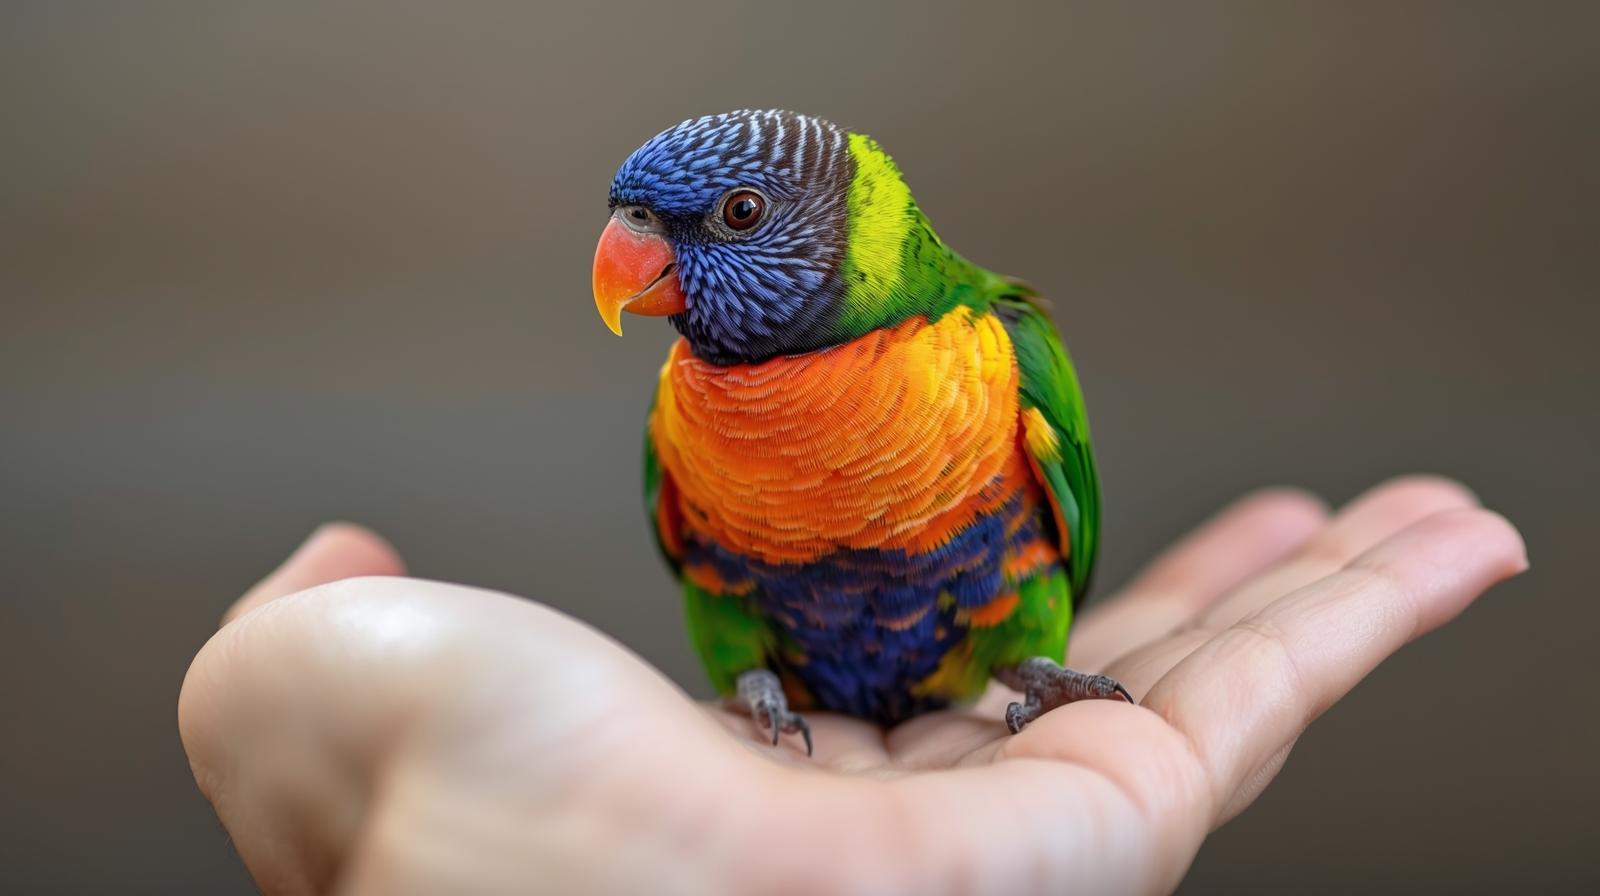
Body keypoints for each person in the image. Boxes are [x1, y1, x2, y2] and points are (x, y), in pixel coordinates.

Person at [178, 476, 1525, 895]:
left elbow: (1057, 545)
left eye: (733, 217)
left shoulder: (992, 358)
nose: (639, 259)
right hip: (786, 689)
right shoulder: (687, 412)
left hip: (988, 658)